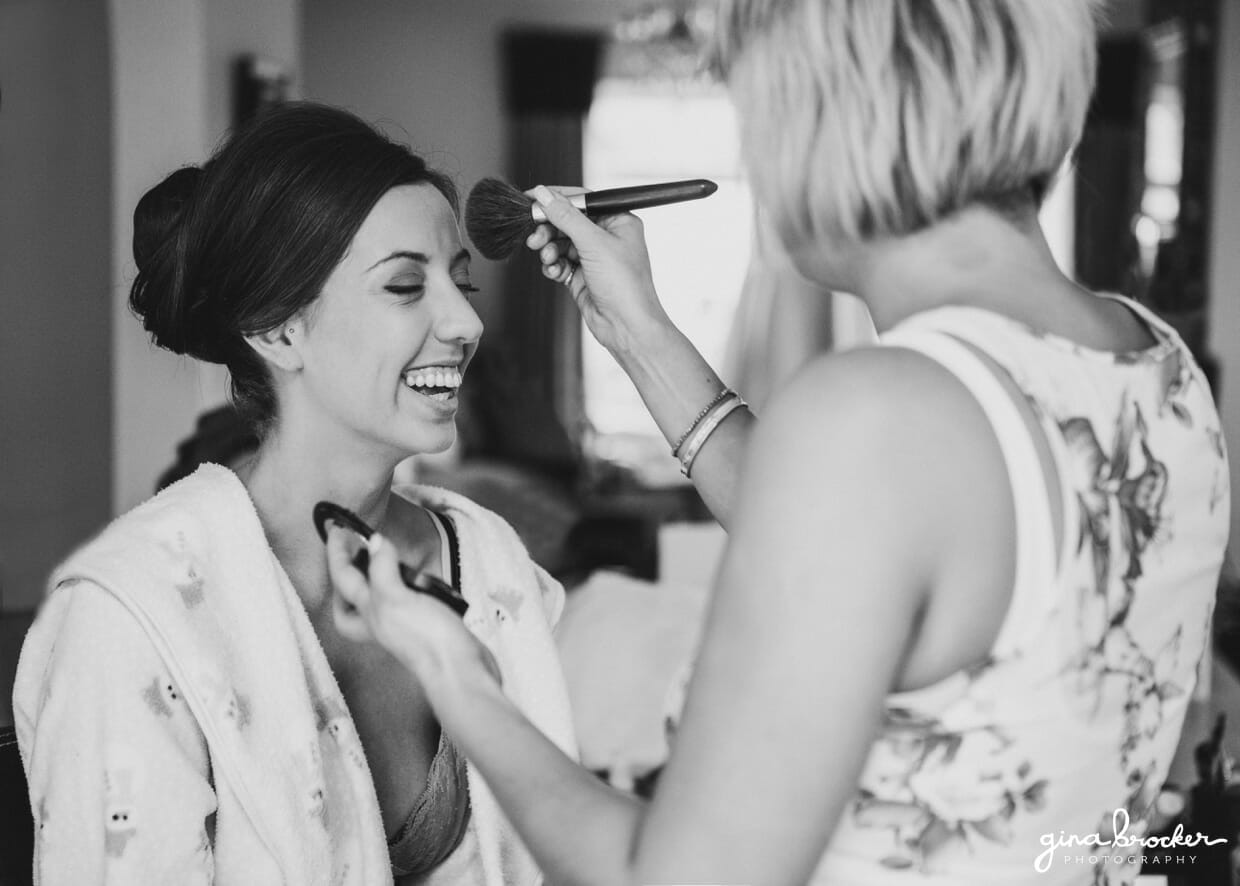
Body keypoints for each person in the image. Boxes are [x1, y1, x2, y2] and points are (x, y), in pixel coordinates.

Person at [323, 1, 1232, 884]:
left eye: (754, 108)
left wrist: (456, 669)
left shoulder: (875, 416)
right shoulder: (1156, 364)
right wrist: (638, 330)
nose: (753, 154)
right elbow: (870, 552)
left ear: (828, 116)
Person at [12, 102, 576, 886]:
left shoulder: (489, 562)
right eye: (407, 286)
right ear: (278, 330)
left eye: (462, 281)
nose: (465, 323)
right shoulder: (131, 619)